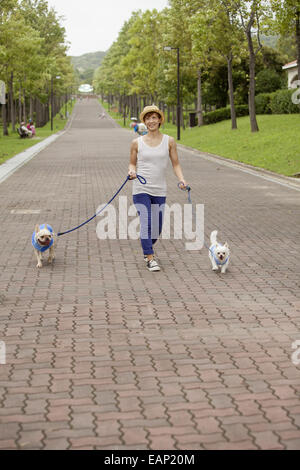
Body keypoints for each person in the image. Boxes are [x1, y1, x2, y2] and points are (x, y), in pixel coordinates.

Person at [128, 105, 187, 272]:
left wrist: (182, 179)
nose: (151, 121)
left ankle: (147, 245)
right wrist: (131, 171)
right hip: (141, 189)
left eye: (154, 117)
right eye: (148, 118)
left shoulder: (169, 141)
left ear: (160, 120)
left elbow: (175, 164)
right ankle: (150, 257)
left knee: (157, 228)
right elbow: (132, 162)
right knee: (146, 222)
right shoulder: (136, 143)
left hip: (160, 190)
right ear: (144, 122)